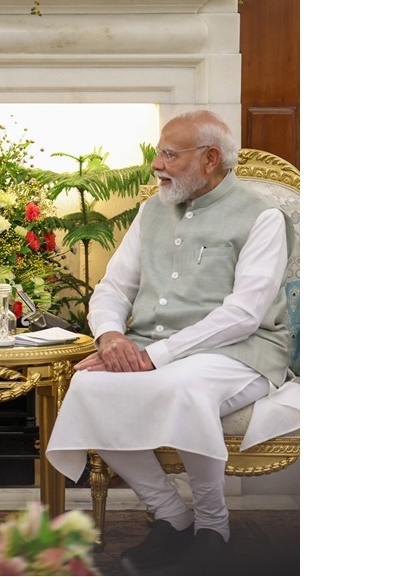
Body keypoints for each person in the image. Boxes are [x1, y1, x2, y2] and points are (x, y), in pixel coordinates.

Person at [43, 110, 297, 575]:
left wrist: (151, 358)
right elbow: (113, 287)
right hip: (150, 347)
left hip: (239, 351)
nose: (156, 165)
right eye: (159, 152)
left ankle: (212, 526)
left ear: (210, 158)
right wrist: (112, 336)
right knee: (88, 388)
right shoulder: (150, 211)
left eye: (169, 154)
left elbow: (244, 314)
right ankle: (171, 514)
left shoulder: (263, 217)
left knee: (184, 387)